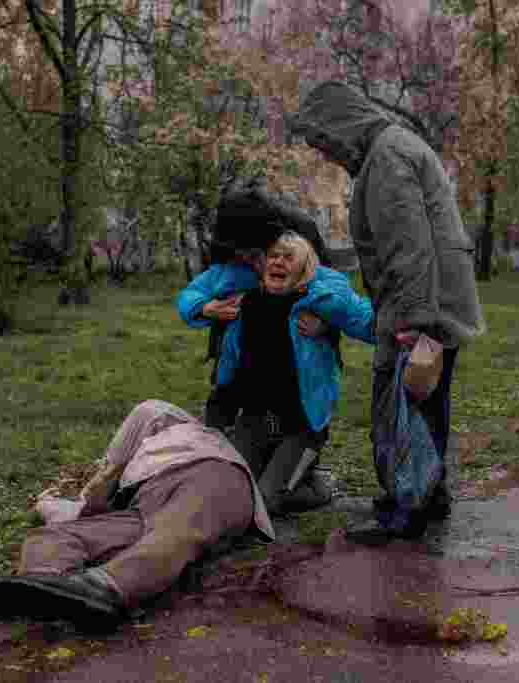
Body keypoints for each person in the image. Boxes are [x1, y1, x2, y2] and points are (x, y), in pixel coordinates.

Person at [288, 81, 485, 542]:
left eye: (323, 141)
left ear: (343, 123)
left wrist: (416, 326)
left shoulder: (386, 159)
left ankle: (405, 509)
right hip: (434, 302)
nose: (325, 153)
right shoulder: (392, 149)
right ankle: (426, 495)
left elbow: (409, 249)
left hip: (421, 306)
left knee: (402, 407)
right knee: (426, 405)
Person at [0, 400, 274, 630]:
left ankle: (106, 588)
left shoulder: (171, 422)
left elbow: (107, 473)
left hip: (209, 478)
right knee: (56, 535)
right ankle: (45, 583)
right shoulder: (138, 471)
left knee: (176, 530)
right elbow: (86, 512)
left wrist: (97, 480)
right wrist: (47, 506)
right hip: (146, 506)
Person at [213, 231, 376, 516]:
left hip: (301, 427)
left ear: (304, 268)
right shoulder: (245, 303)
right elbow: (227, 354)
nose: (279, 262)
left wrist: (328, 326)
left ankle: (317, 485)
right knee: (230, 492)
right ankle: (288, 472)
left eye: (289, 258)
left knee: (265, 502)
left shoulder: (316, 306)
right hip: (255, 421)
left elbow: (365, 319)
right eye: (274, 256)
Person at [179, 191, 335, 432]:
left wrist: (324, 323)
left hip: (295, 343)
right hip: (239, 338)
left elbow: (335, 294)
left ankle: (300, 458)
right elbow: (204, 286)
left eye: (249, 252)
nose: (241, 258)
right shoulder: (228, 236)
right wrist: (205, 308)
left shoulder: (302, 233)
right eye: (238, 253)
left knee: (296, 407)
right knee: (222, 409)